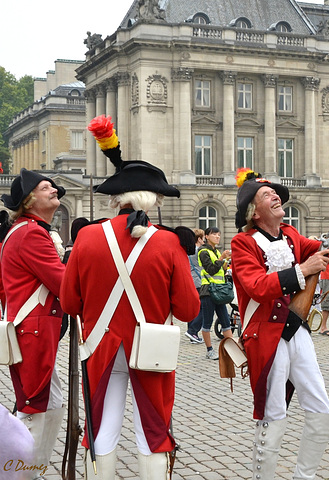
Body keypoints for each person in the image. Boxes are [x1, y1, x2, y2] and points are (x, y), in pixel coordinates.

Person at [60, 115, 200, 479]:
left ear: (116, 198)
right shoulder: (169, 243)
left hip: (101, 348)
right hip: (149, 349)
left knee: (101, 431)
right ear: (152, 200)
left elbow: (70, 304)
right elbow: (188, 308)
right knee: (152, 432)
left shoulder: (87, 238)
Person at [230, 168, 329, 479]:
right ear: (254, 211)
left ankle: (304, 476)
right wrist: (302, 270)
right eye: (266, 195)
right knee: (273, 412)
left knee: (320, 405)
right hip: (265, 334)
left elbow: (327, 251)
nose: (276, 196)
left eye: (274, 193)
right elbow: (256, 287)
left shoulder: (291, 235)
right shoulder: (243, 243)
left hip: (296, 330)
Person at [0, 168, 67, 478]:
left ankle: (31, 471)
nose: (53, 189)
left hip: (33, 329)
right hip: (34, 331)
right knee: (36, 408)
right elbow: (62, 282)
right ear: (29, 201)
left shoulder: (26, 230)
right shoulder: (31, 233)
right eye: (45, 187)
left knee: (51, 406)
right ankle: (21, 473)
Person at [198, 226, 233, 359]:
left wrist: (226, 260)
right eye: (214, 234)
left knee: (225, 320)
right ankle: (209, 350)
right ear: (206, 236)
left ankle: (232, 349)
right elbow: (211, 269)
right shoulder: (203, 252)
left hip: (220, 290)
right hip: (208, 290)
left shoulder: (216, 251)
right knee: (207, 321)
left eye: (219, 234)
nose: (217, 237)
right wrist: (221, 258)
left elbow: (222, 270)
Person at [185, 228, 205, 343]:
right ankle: (193, 331)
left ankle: (192, 333)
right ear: (199, 239)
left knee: (193, 306)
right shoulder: (198, 251)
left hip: (190, 280)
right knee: (202, 308)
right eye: (202, 238)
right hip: (198, 281)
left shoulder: (188, 251)